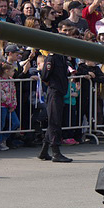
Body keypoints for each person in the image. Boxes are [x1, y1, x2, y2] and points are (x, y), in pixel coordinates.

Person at [38, 35, 72, 163]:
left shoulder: (62, 57)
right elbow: (45, 76)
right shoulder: (51, 58)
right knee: (54, 122)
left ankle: (44, 151)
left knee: (55, 121)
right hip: (54, 91)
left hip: (60, 91)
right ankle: (56, 152)